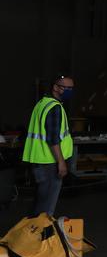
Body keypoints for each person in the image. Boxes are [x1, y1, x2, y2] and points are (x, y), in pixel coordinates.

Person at [22, 76, 76, 217]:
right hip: (49, 164)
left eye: (72, 88)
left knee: (39, 204)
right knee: (46, 209)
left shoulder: (42, 103)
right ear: (55, 87)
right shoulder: (55, 108)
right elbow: (53, 138)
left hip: (40, 162)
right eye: (66, 88)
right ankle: (41, 237)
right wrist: (61, 162)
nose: (69, 91)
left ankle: (32, 235)